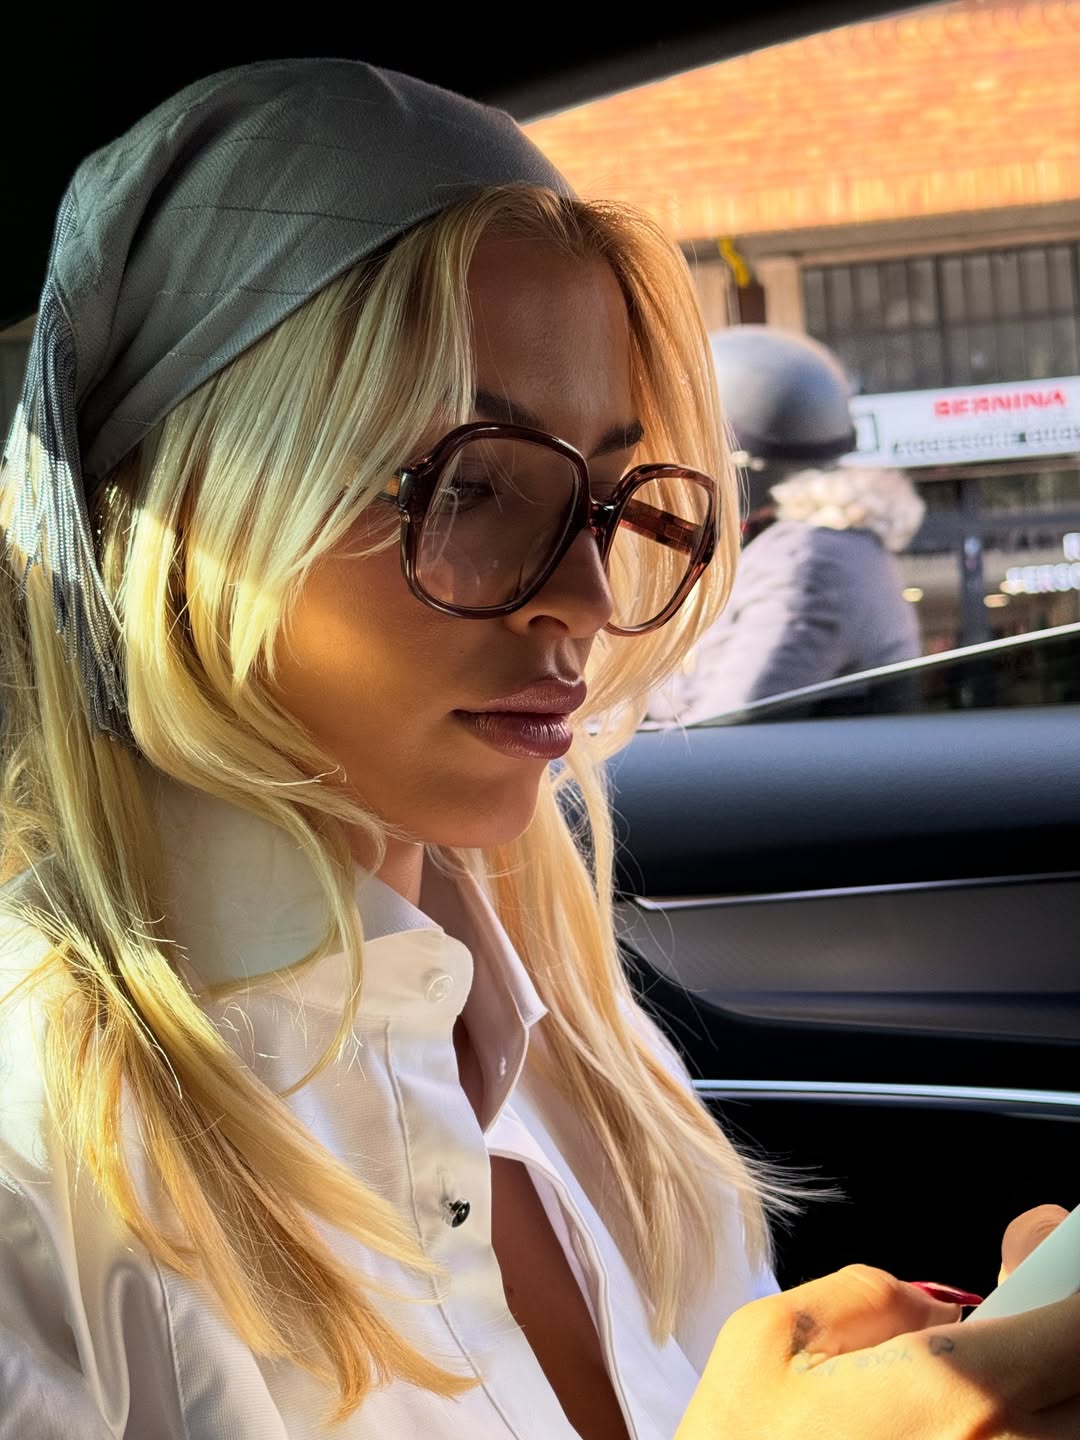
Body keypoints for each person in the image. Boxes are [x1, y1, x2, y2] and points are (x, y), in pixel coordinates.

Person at [0, 58, 1075, 1440]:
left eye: (617, 500)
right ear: (188, 509)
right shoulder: (42, 1169)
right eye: (471, 489)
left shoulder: (584, 1043)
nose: (589, 596)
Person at [649, 326, 926, 724]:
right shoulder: (814, 547)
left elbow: (724, 727)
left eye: (693, 448)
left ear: (737, 461)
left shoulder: (808, 562)